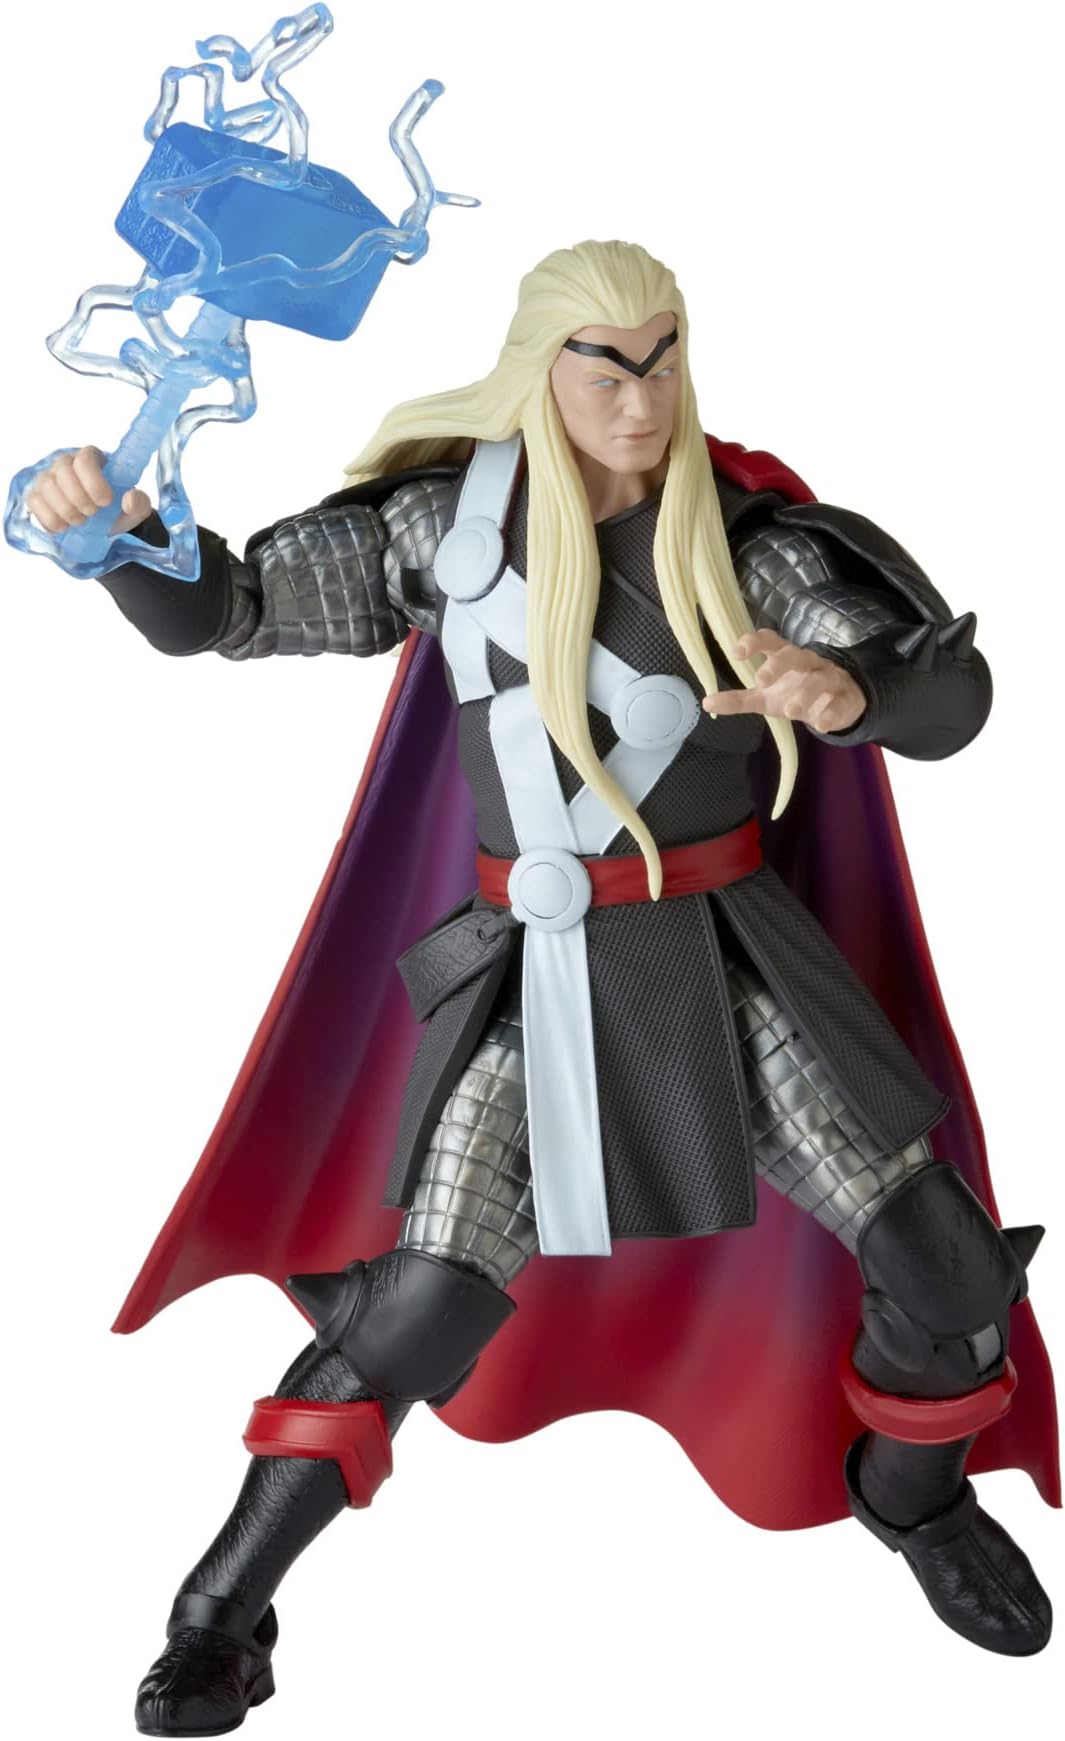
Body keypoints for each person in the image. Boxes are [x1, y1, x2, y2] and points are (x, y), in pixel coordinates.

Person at [27, 239, 1057, 1736]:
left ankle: (915, 1500)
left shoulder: (745, 549)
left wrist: (851, 689)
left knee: (946, 1269)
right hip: (536, 972)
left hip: (729, 958)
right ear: (539, 370)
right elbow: (232, 609)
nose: (640, 401)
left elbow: (941, 685)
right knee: (420, 1304)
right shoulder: (447, 534)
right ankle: (220, 1616)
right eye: (603, 368)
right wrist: (126, 542)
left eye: (661, 360)